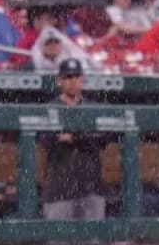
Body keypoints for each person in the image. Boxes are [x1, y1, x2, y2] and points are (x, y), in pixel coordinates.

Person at [40, 59, 108, 240]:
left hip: (91, 185)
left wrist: (72, 137)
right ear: (59, 80)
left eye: (76, 76)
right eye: (67, 77)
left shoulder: (93, 108)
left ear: (82, 79)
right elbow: (49, 140)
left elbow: (102, 139)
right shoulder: (50, 109)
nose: (72, 81)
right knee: (58, 240)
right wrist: (84, 136)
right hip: (59, 188)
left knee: (91, 239)